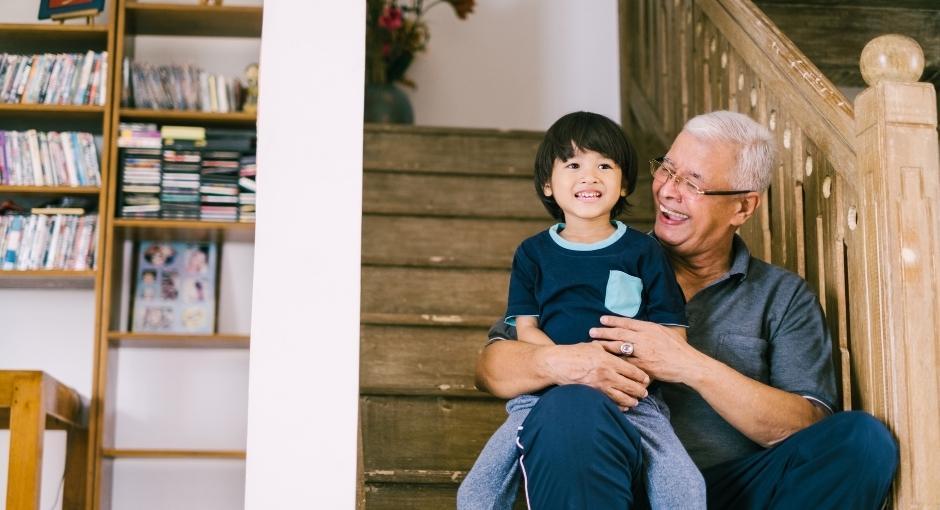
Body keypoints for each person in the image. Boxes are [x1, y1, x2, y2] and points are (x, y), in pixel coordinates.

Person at [472, 110, 899, 508]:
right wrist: (566, 363)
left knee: (863, 441)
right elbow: (493, 367)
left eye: (693, 183)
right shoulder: (596, 254)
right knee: (569, 408)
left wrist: (688, 364)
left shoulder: (783, 296)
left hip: (734, 490)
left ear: (743, 207)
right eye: (667, 169)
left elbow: (804, 424)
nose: (669, 191)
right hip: (610, 481)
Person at [458, 111, 705, 509]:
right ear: (548, 184)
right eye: (573, 165)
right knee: (476, 493)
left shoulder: (644, 252)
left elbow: (672, 337)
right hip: (539, 399)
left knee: (687, 489)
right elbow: (526, 329)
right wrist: (569, 368)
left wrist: (622, 368)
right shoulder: (532, 253)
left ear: (624, 184)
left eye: (604, 165)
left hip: (632, 397)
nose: (589, 176)